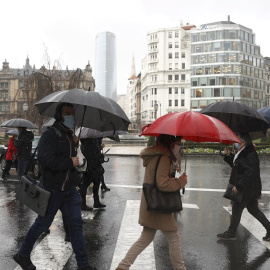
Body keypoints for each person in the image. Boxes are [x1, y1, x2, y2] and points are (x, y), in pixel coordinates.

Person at [13, 103, 96, 270]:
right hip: (53, 189)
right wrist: (68, 161)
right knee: (42, 224)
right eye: (67, 113)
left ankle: (83, 265)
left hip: (70, 190)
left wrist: (76, 151)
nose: (71, 116)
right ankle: (22, 255)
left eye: (72, 113)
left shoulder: (70, 135)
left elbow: (74, 161)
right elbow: (44, 159)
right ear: (60, 115)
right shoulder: (50, 134)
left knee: (76, 225)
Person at [116, 134, 187, 270]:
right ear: (171, 143)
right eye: (178, 143)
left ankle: (122, 266)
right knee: (173, 238)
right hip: (159, 205)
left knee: (145, 238)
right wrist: (181, 182)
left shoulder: (155, 156)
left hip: (151, 204)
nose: (179, 146)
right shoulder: (163, 158)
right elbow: (163, 185)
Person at [217, 132, 270, 241]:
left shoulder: (249, 153)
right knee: (253, 210)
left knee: (237, 208)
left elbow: (250, 172)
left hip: (247, 188)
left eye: (238, 141)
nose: (236, 143)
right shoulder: (244, 151)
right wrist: (228, 156)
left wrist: (239, 186)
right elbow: (238, 165)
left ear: (243, 142)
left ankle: (231, 233)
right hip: (249, 189)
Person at [80, 137, 106, 209]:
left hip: (95, 167)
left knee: (96, 184)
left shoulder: (91, 141)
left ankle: (96, 202)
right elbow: (92, 155)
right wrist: (101, 155)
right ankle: (83, 204)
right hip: (90, 168)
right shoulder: (87, 143)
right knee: (85, 185)